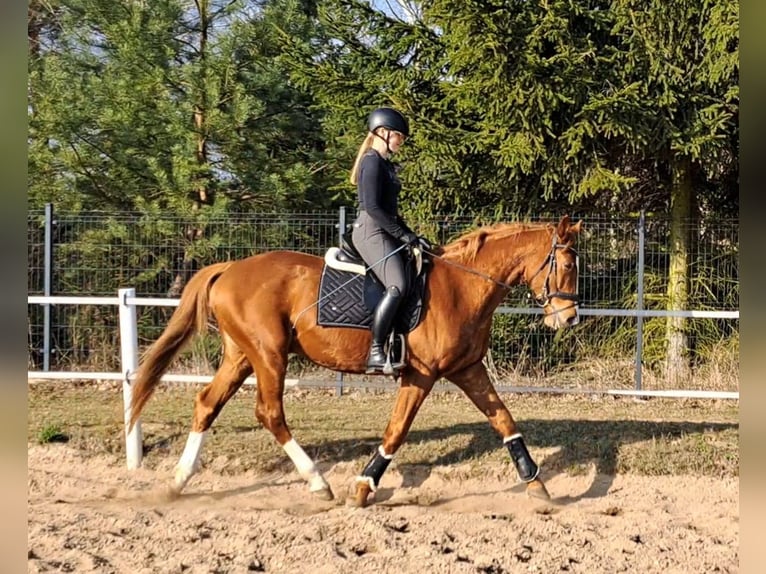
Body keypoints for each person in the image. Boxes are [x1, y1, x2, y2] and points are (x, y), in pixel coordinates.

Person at [349, 107, 419, 374]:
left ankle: (399, 343)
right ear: (383, 132)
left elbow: (390, 212)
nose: (401, 141)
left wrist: (411, 235)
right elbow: (374, 208)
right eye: (398, 136)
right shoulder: (371, 161)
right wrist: (402, 235)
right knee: (397, 284)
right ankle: (376, 351)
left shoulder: (385, 164)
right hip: (370, 230)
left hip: (383, 228)